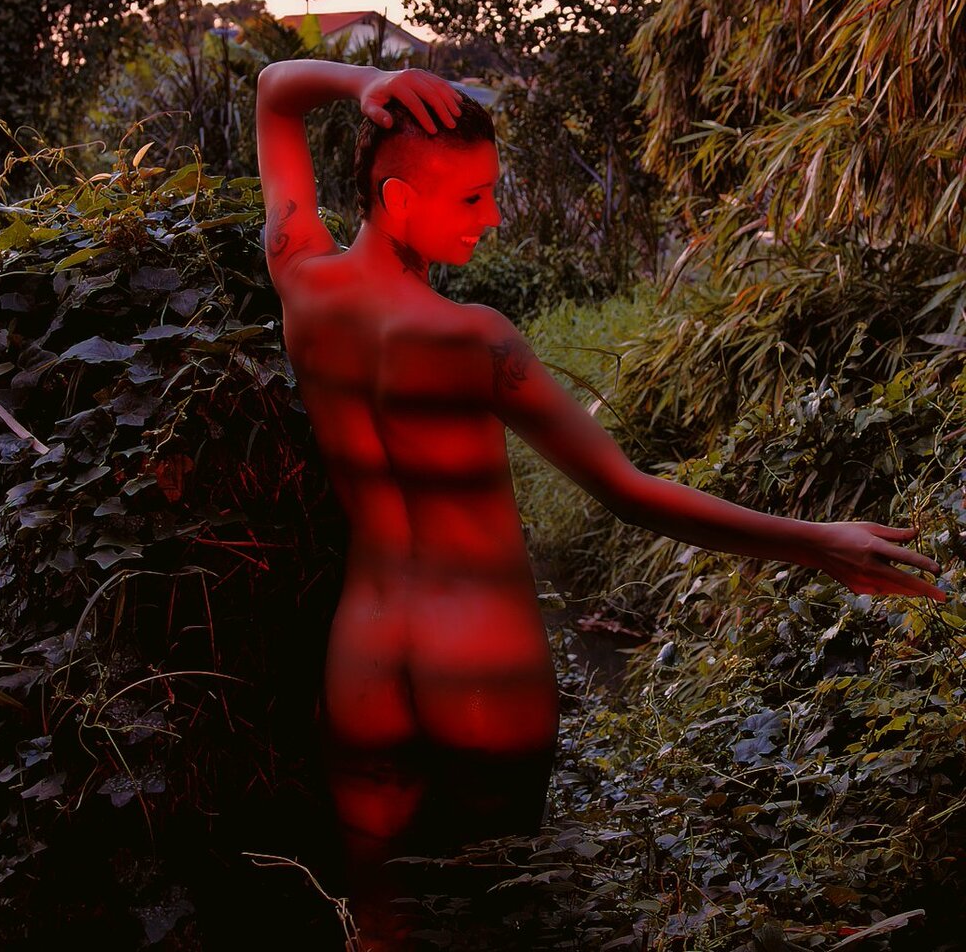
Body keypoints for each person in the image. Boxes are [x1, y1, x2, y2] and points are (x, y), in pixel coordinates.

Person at [254, 60, 945, 947]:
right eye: (471, 199)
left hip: (363, 663)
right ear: (397, 199)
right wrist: (816, 542)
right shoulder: (474, 338)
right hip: (481, 669)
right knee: (498, 923)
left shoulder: (301, 284)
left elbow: (274, 89)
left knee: (379, 929)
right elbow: (627, 492)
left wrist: (363, 80)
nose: (493, 219)